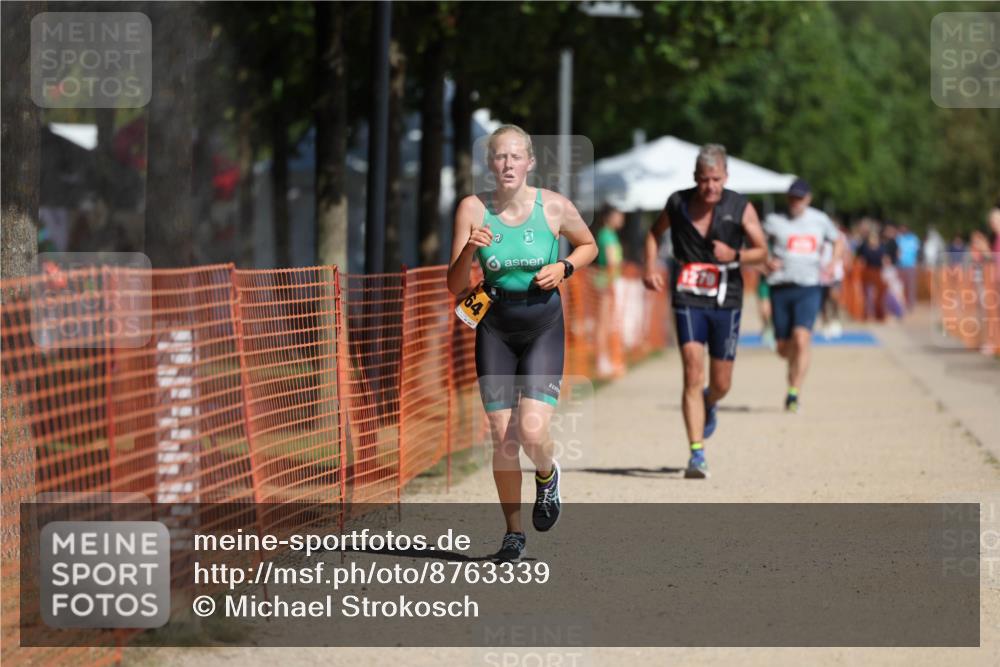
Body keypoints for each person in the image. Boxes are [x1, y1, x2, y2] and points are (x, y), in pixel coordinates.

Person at [447, 124, 597, 561]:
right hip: (494, 324)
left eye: (516, 157)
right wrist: (466, 253)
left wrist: (566, 267)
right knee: (502, 435)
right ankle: (513, 532)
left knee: (531, 429)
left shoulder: (553, 207)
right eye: (499, 157)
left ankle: (547, 477)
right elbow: (455, 286)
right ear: (489, 164)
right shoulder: (472, 209)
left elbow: (589, 245)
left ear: (530, 162)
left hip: (542, 323)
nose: (508, 164)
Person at [642, 144, 768, 478]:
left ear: (725, 177)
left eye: (715, 179)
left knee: (721, 382)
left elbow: (762, 251)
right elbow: (653, 235)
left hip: (727, 298)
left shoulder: (740, 206)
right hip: (687, 295)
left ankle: (711, 402)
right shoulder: (677, 202)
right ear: (694, 178)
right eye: (703, 179)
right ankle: (696, 454)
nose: (709, 186)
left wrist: (735, 255)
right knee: (692, 372)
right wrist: (649, 267)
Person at [763, 179, 844, 412]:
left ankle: (794, 392)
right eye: (791, 197)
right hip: (780, 287)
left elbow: (838, 241)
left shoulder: (819, 220)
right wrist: (766, 261)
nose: (795, 202)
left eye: (799, 198)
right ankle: (792, 364)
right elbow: (755, 242)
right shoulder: (774, 220)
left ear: (808, 199)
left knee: (802, 338)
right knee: (782, 348)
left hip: (809, 287)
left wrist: (832, 263)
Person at [591, 203, 626, 378]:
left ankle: (607, 359)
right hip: (607, 283)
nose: (621, 219)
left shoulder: (610, 234)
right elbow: (612, 263)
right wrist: (612, 285)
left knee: (607, 323)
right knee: (603, 324)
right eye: (617, 215)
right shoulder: (607, 235)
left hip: (610, 281)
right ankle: (601, 361)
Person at [857, 229, 888, 321]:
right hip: (867, 271)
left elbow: (885, 259)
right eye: (871, 238)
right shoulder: (865, 248)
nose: (873, 240)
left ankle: (879, 314)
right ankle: (865, 314)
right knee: (866, 294)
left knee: (879, 295)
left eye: (875, 238)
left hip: (878, 271)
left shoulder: (882, 248)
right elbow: (860, 259)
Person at [895, 225, 921, 310]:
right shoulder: (898, 238)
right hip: (900, 266)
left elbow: (918, 252)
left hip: (911, 265)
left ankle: (911, 305)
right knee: (900, 286)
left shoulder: (914, 238)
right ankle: (900, 303)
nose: (903, 229)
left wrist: (917, 263)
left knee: (911, 286)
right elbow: (896, 251)